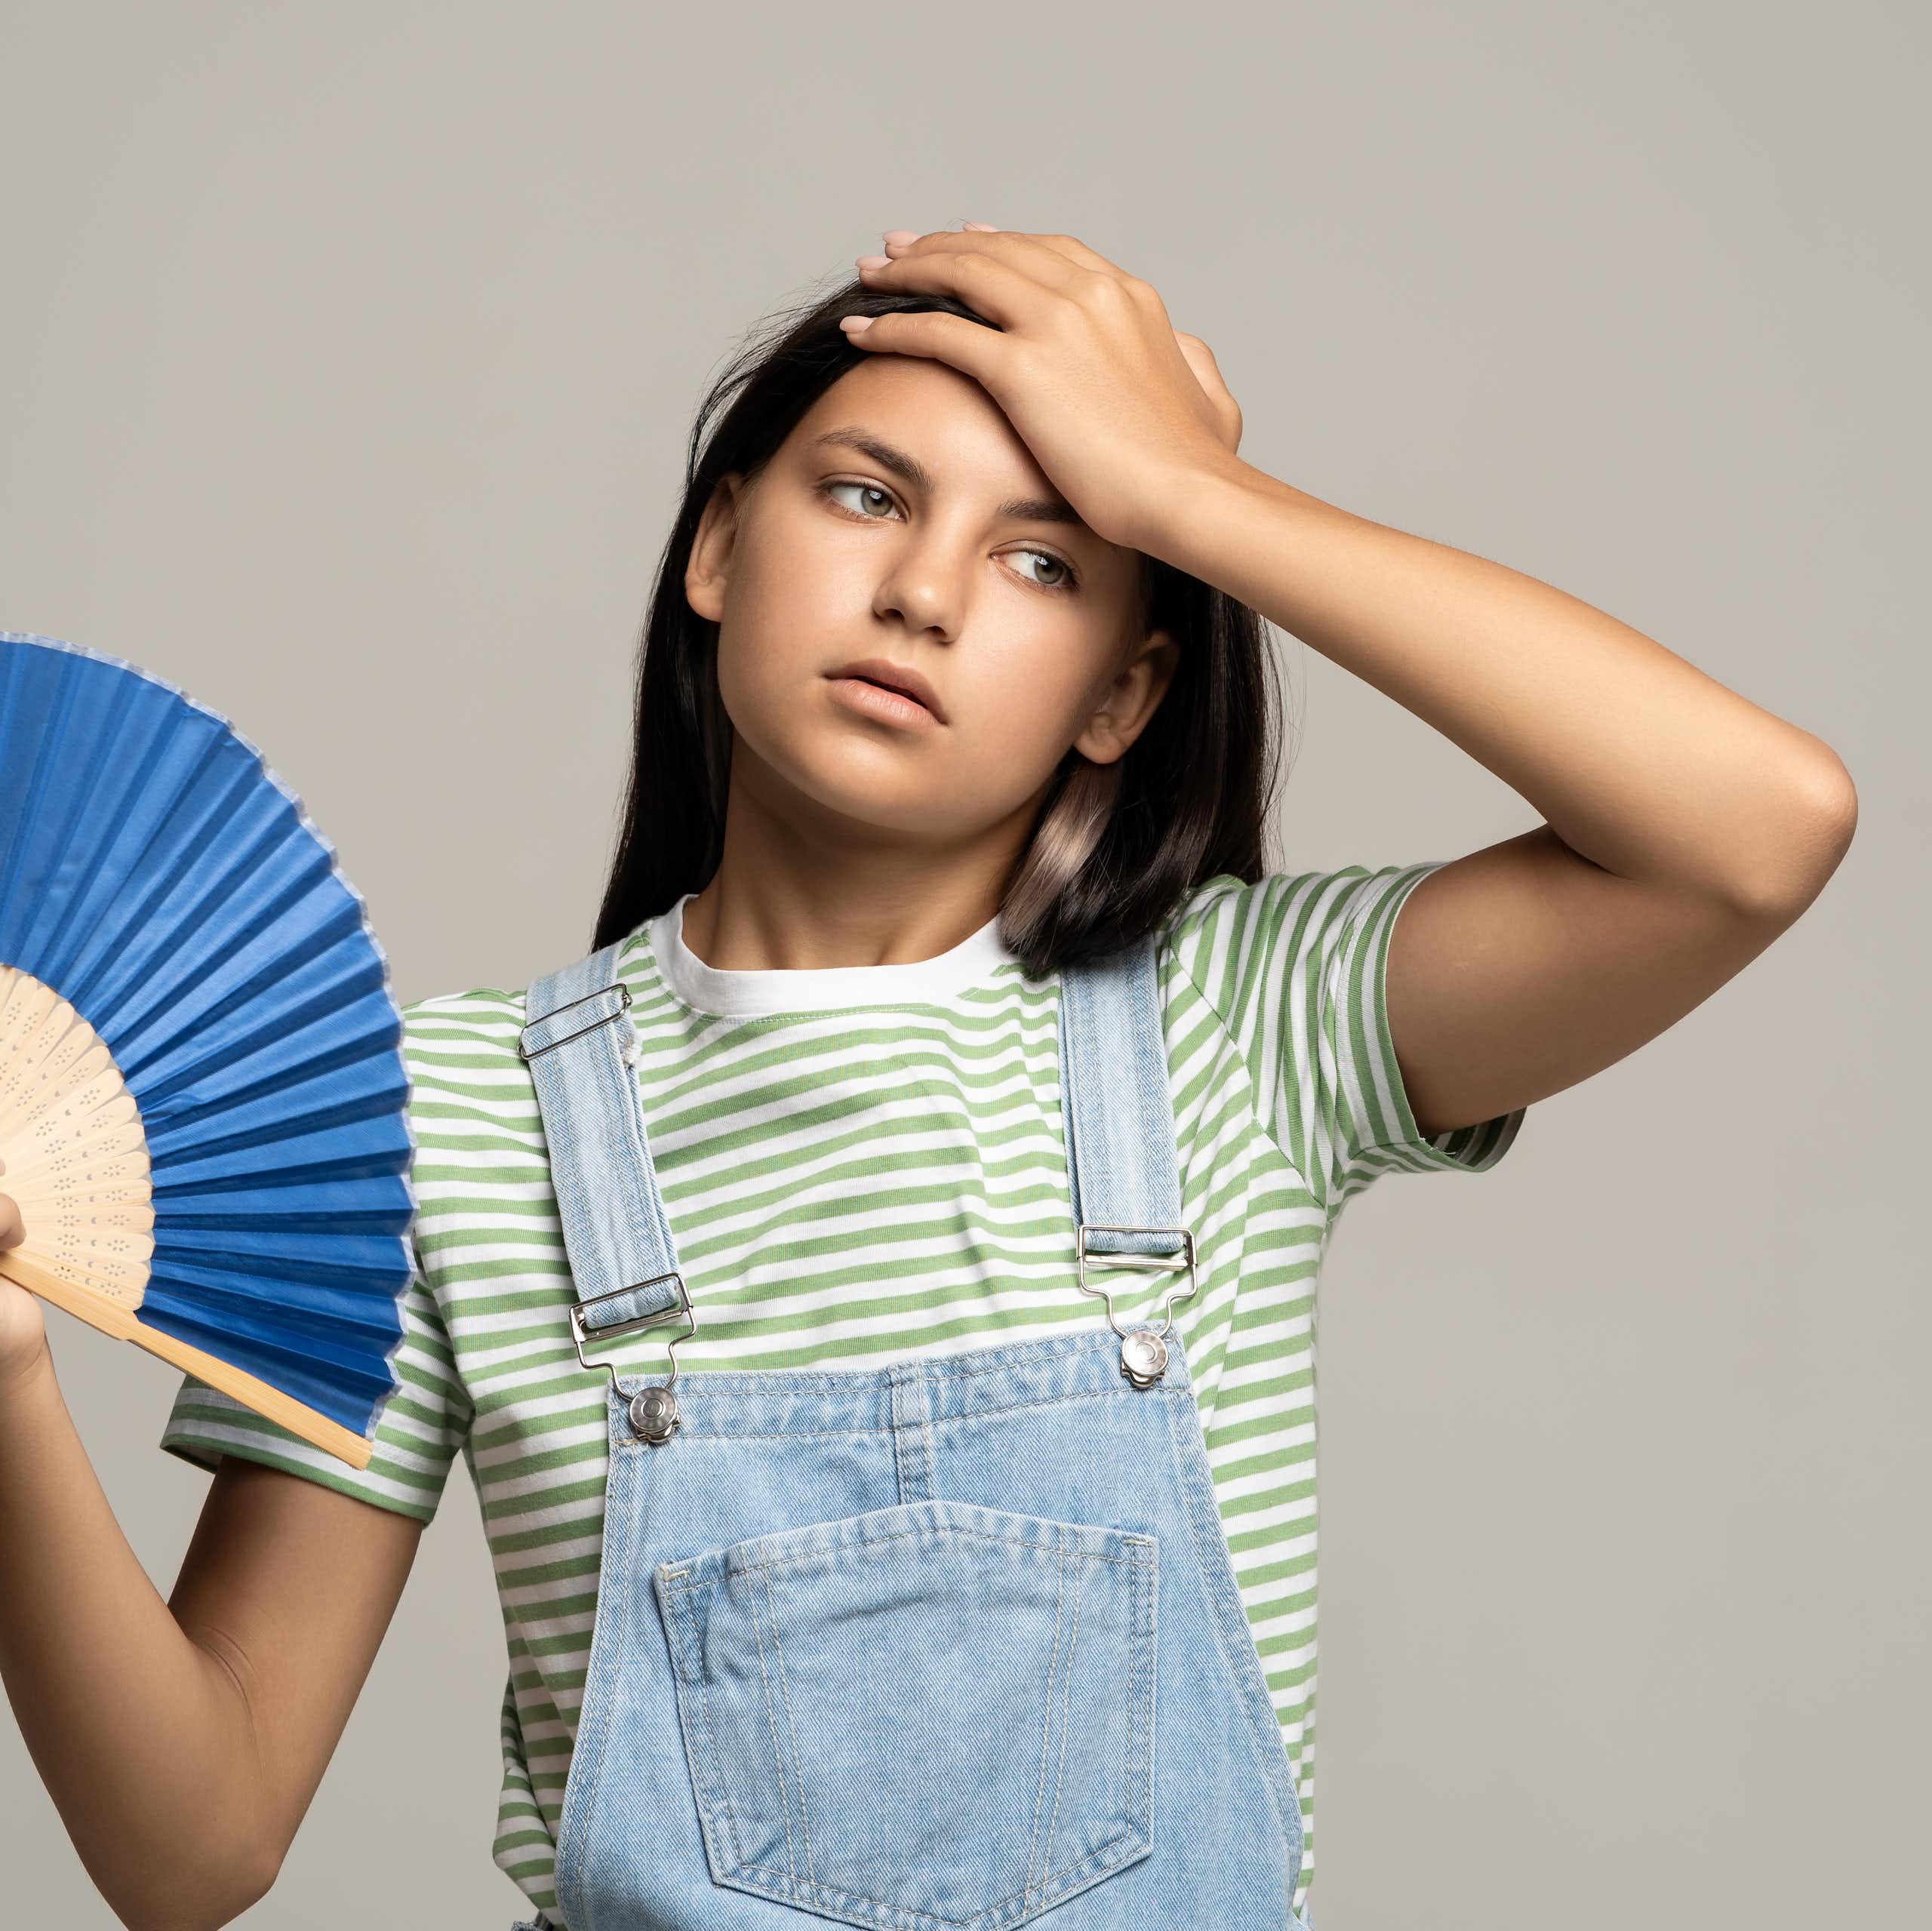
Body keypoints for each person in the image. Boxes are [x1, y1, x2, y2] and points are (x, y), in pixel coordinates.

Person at [0, 222, 1857, 1931]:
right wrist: (7, 1372)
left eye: (1040, 553)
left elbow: (1751, 830)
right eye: (866, 493)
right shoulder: (456, 1118)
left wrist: (1199, 495)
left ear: (1121, 693)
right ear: (718, 545)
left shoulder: (1243, 1023)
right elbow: (193, 1841)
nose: (921, 591)